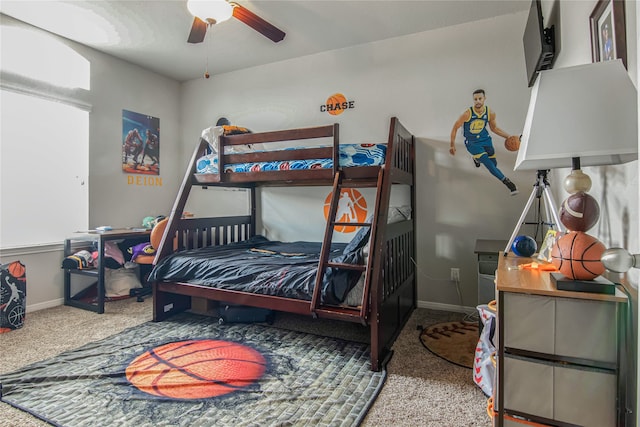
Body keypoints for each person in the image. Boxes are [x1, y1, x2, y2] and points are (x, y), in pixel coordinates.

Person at [450, 89, 518, 195]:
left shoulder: (490, 113)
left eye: (479, 98)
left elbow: (494, 128)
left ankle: (476, 158)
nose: (477, 101)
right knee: (489, 165)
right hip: (472, 143)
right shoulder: (467, 114)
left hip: (486, 140)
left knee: (494, 164)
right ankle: (509, 184)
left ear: (484, 99)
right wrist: (452, 145)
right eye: (475, 99)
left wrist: (508, 136)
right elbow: (455, 128)